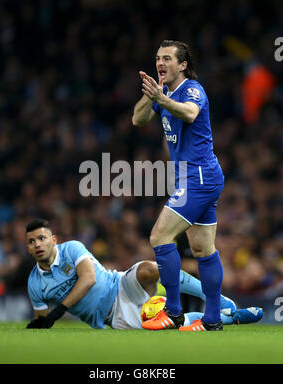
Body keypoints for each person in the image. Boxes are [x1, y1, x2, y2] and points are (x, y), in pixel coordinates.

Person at [132, 40, 226, 331]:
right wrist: (152, 95)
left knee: (160, 237)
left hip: (199, 177)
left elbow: (189, 114)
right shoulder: (165, 93)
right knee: (203, 249)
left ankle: (173, 312)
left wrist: (161, 98)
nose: (161, 63)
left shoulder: (192, 90)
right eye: (158, 58)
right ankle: (212, 319)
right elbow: (137, 119)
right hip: (196, 178)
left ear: (182, 65)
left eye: (168, 59)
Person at [25, 218, 262, 330]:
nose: (37, 244)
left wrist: (59, 311)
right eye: (31, 241)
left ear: (53, 240)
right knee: (166, 326)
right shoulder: (35, 283)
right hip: (113, 317)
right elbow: (41, 320)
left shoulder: (72, 248)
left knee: (150, 268)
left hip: (119, 284)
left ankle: (217, 299)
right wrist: (41, 323)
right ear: (27, 247)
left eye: (42, 238)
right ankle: (233, 317)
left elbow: (89, 279)